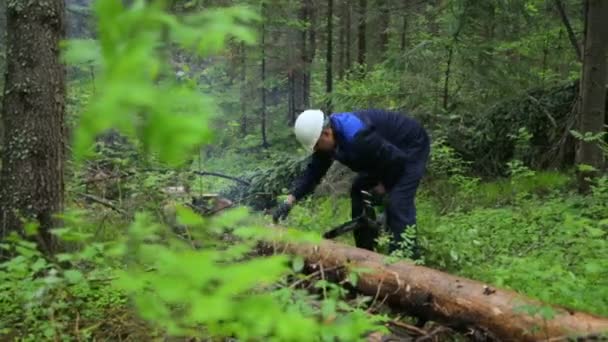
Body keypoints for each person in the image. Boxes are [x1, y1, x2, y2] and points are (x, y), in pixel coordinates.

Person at [272, 109, 430, 257]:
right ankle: (366, 251)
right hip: (384, 155)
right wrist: (290, 201)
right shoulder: (329, 138)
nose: (317, 150)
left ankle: (406, 257)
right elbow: (314, 172)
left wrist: (384, 185)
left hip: (410, 146)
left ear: (326, 133)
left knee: (398, 202)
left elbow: (397, 161)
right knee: (359, 190)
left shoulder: (358, 138)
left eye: (317, 146)